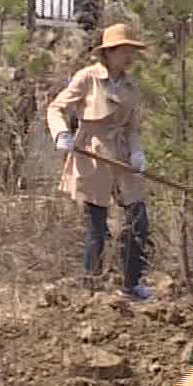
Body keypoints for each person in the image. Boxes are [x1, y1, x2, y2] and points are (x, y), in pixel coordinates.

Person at [46, 23, 153, 300]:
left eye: (133, 51)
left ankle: (130, 284)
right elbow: (56, 107)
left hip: (122, 158)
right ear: (110, 52)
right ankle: (90, 289)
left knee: (137, 219)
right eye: (125, 51)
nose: (130, 57)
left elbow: (132, 128)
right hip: (92, 156)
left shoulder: (132, 85)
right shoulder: (87, 78)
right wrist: (61, 133)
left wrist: (138, 152)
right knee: (97, 227)